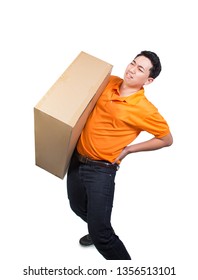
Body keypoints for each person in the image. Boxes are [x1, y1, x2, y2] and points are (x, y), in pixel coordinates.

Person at [67, 50, 173, 260]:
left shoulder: (145, 110)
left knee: (103, 236)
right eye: (132, 63)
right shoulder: (110, 82)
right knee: (77, 207)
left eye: (140, 69)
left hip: (101, 170)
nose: (132, 70)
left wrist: (129, 150)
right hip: (76, 160)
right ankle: (97, 227)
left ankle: (109, 247)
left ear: (149, 80)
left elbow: (166, 139)